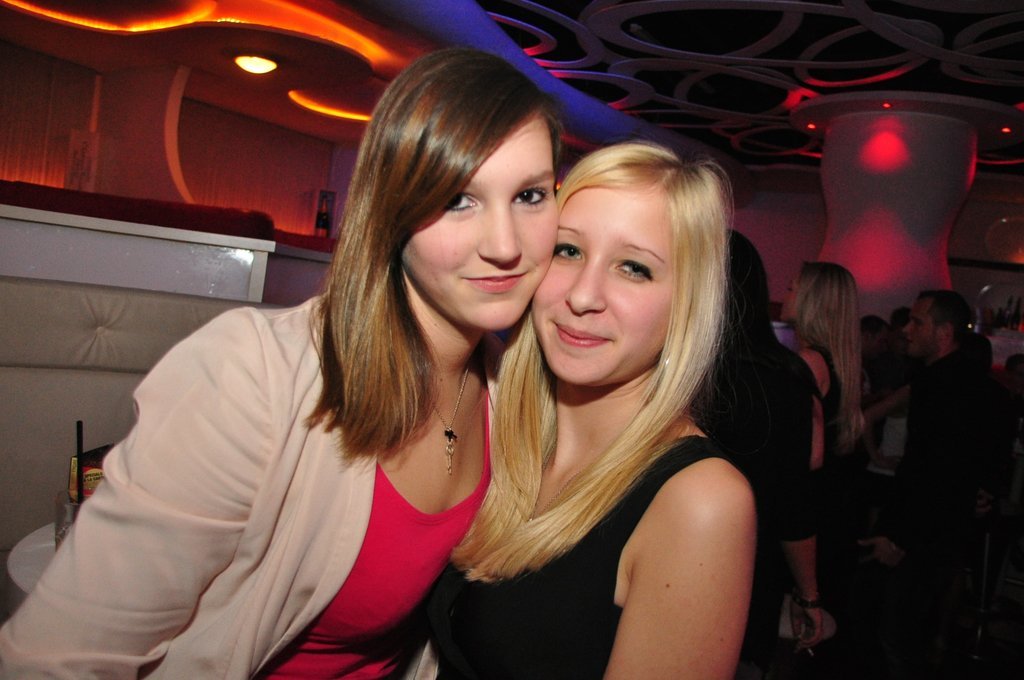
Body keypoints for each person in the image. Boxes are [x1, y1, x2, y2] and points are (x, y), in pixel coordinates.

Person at [0, 47, 563, 678]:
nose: (505, 245)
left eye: (530, 195)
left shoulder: (516, 392)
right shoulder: (253, 377)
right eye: (458, 198)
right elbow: (58, 660)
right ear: (391, 208)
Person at [427, 141, 757, 679]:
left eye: (634, 268)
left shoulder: (701, 502)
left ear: (687, 304)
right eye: (568, 250)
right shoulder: (492, 427)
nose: (583, 296)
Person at [859, 291, 1004, 679]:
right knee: (907, 634)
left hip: (921, 534)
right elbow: (986, 454)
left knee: (894, 637)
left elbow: (930, 468)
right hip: (946, 532)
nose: (907, 330)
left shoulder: (937, 384)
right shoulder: (979, 385)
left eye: (917, 322)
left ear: (944, 333)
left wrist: (899, 538)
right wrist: (987, 488)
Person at [703, 231, 825, 678]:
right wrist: (808, 593)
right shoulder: (784, 378)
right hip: (748, 583)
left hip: (663, 583)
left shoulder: (667, 372)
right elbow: (795, 500)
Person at [779, 261, 864, 668]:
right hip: (832, 509)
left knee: (792, 633)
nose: (787, 292)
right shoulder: (839, 360)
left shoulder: (809, 361)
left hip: (807, 513)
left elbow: (807, 456)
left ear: (813, 300)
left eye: (794, 287)